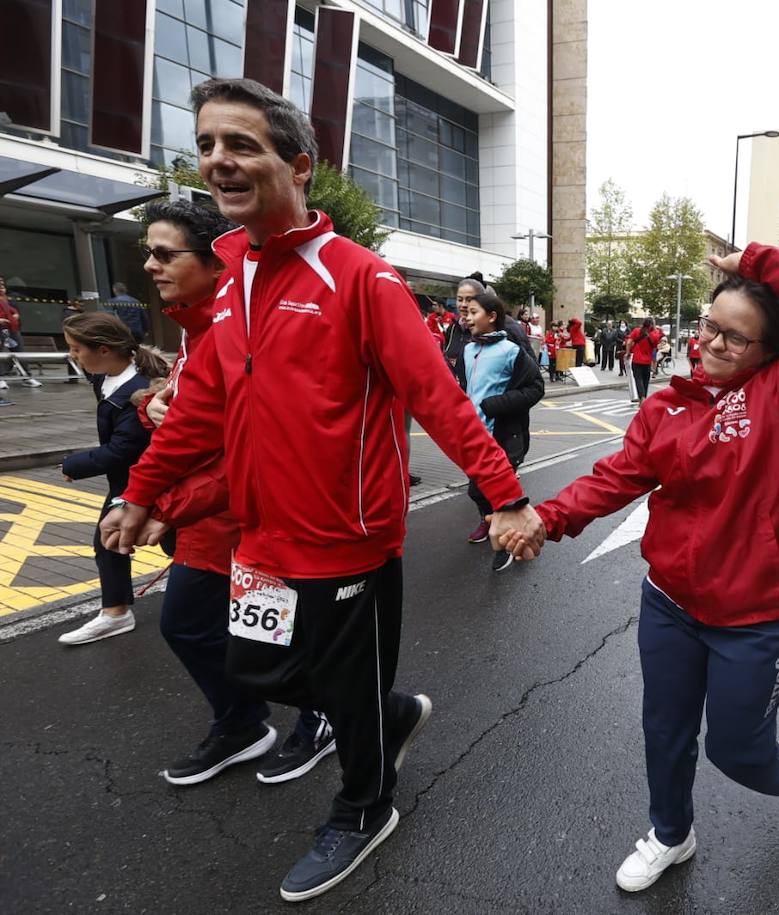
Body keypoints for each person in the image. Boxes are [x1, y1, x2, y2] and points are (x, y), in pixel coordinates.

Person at [100, 78, 543, 903]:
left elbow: (437, 400)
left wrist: (506, 496)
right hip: (261, 533)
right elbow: (201, 406)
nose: (217, 161)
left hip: (349, 535)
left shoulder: (360, 277)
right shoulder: (230, 282)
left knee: (342, 692)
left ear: (298, 165)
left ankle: (365, 803)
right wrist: (144, 488)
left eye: (240, 144)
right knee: (256, 668)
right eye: (206, 146)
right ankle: (388, 708)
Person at [503, 242, 779, 892]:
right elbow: (615, 477)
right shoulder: (666, 406)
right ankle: (672, 832)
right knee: (664, 729)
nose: (715, 344)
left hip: (756, 617)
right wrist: (544, 519)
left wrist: (753, 260)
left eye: (736, 338)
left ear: (768, 351)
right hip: (670, 603)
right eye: (710, 327)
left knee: (737, 749)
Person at [131, 199, 332, 785]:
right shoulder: (198, 330)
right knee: (187, 625)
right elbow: (192, 422)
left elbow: (259, 450)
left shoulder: (248, 329)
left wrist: (159, 506)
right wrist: (153, 405)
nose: (151, 265)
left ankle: (323, 718)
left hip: (255, 523)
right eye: (150, 252)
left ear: (217, 262)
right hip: (206, 525)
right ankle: (241, 722)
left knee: (269, 639)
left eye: (165, 253)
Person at [57, 312, 169, 645]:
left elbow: (123, 449)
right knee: (108, 543)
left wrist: (73, 465)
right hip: (127, 481)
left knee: (177, 543)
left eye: (76, 349)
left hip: (149, 481)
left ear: (104, 349)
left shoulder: (135, 394)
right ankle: (116, 613)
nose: (72, 356)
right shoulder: (105, 379)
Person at [449, 289, 544, 570]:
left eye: (474, 312)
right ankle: (491, 522)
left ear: (492, 317)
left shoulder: (511, 351)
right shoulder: (468, 349)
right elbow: (467, 389)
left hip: (504, 436)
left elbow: (535, 388)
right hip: (474, 434)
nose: (467, 317)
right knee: (477, 492)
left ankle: (508, 544)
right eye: (465, 312)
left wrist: (494, 405)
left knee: (495, 493)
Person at [626, 317, 661, 401]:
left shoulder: (636, 331)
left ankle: (642, 397)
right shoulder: (655, 334)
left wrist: (628, 353)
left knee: (638, 379)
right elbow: (655, 349)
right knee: (645, 380)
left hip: (636, 360)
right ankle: (644, 397)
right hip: (647, 361)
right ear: (652, 324)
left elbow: (629, 342)